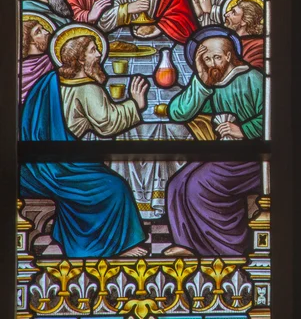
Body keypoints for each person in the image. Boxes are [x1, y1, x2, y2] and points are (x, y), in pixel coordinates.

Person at [20, 26, 149, 258]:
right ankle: (109, 248)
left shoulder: (48, 81)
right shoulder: (88, 88)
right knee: (115, 187)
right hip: (63, 166)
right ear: (79, 59)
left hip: (37, 164)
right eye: (92, 50)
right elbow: (109, 124)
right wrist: (135, 104)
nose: (99, 54)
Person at [165, 28, 263, 256]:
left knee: (199, 184)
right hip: (226, 155)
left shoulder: (253, 79)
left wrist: (243, 130)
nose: (212, 63)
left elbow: (273, 118)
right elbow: (178, 112)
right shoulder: (212, 82)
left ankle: (226, 249)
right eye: (206, 59)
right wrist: (201, 80)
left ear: (229, 56)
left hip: (254, 159)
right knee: (177, 183)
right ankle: (186, 244)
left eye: (217, 57)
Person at [224, 0, 265, 69]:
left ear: (244, 21)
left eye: (233, 13)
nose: (226, 14)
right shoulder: (227, 40)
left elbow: (255, 73)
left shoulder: (257, 45)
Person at [20, 14, 54, 103]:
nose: (46, 32)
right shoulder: (18, 69)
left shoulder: (51, 62)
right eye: (38, 32)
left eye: (42, 28)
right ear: (28, 40)